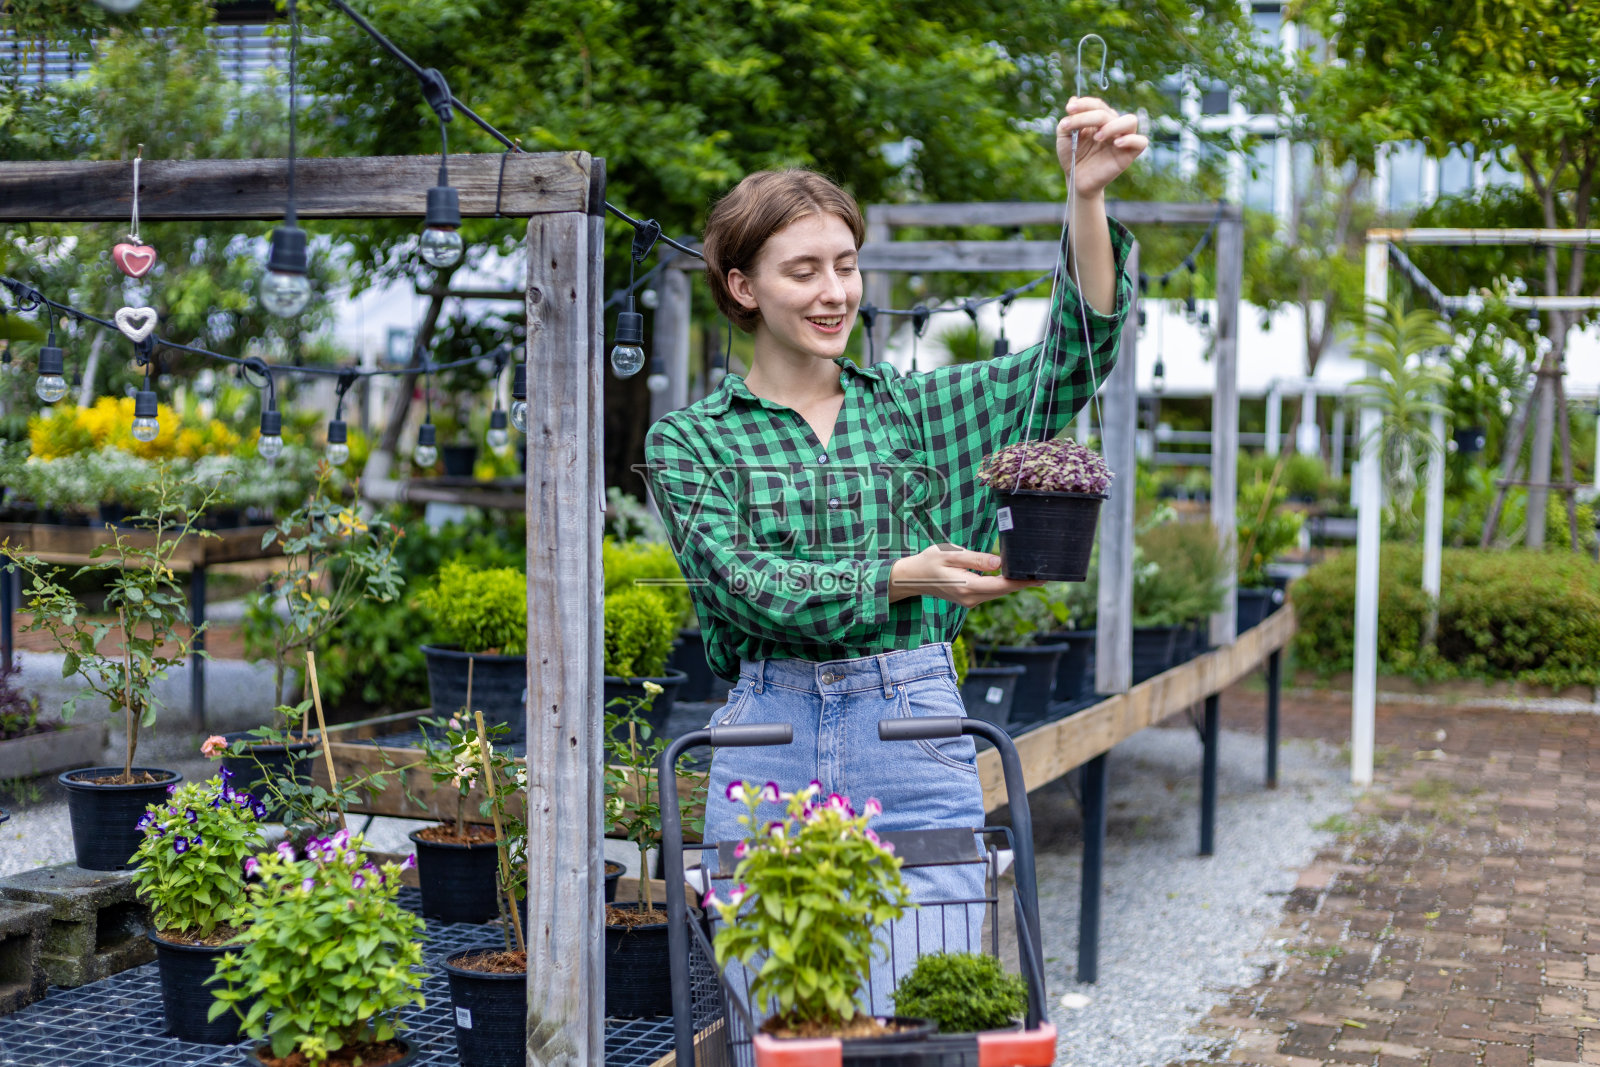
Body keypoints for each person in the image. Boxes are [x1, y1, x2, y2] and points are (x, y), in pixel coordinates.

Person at [642, 96, 1145, 1008]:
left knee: (916, 1022)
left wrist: (1084, 203)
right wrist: (902, 573)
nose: (835, 291)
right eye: (803, 271)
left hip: (910, 730)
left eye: (846, 264)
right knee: (780, 1031)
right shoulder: (692, 442)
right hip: (769, 739)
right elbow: (749, 585)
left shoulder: (917, 410)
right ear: (743, 285)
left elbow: (1072, 360)